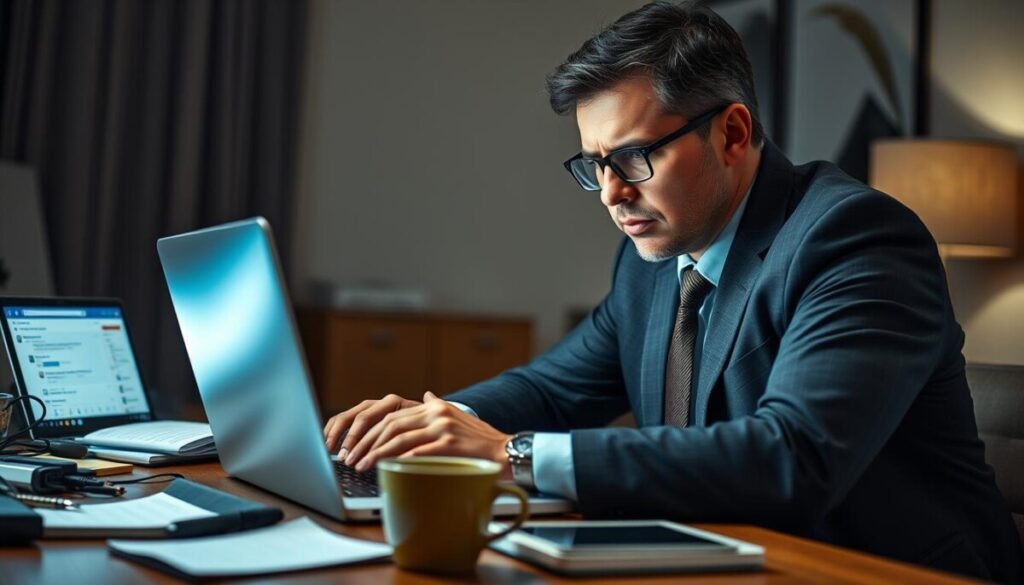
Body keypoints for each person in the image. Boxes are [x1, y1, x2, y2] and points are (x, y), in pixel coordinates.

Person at [323, 2, 1022, 581]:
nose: (610, 193)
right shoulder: (651, 262)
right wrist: (428, 425)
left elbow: (792, 456)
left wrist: (514, 455)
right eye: (595, 164)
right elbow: (553, 391)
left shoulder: (856, 239)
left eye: (632, 157)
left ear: (732, 132)